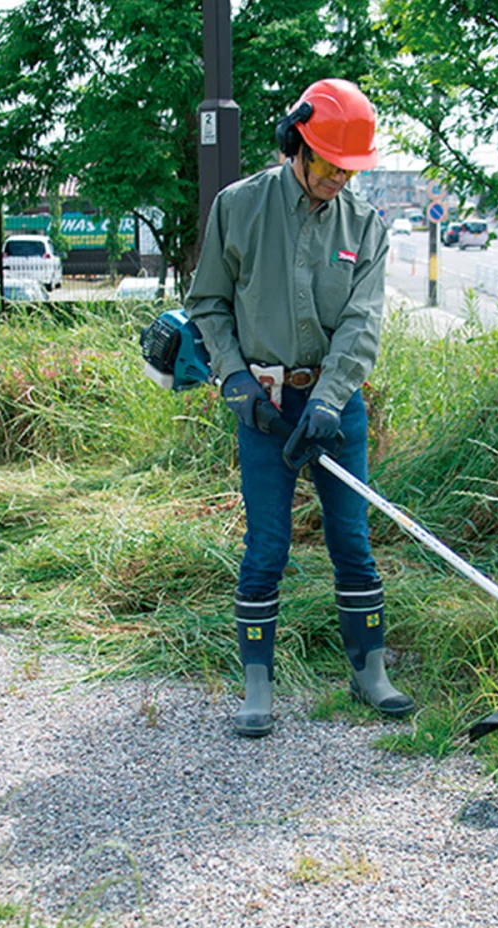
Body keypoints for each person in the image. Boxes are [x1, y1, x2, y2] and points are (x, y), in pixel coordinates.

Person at [185, 78, 414, 737]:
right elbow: (208, 305)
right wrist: (235, 383)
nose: (339, 180)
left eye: (350, 170)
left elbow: (363, 324)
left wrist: (332, 401)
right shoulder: (239, 207)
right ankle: (258, 688)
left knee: (353, 541)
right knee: (267, 548)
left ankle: (369, 672)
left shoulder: (364, 227)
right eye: (330, 165)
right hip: (265, 401)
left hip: (334, 407)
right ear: (298, 144)